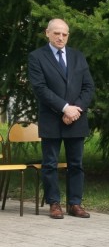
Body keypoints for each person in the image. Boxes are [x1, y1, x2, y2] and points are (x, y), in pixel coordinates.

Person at [28, 18, 96, 219]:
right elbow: (40, 88)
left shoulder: (78, 56)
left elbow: (88, 87)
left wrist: (76, 110)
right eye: (56, 33)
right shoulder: (37, 57)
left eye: (64, 34)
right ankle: (54, 203)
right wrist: (65, 108)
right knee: (50, 163)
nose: (61, 37)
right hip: (52, 118)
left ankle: (75, 203)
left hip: (77, 118)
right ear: (47, 33)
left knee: (76, 164)